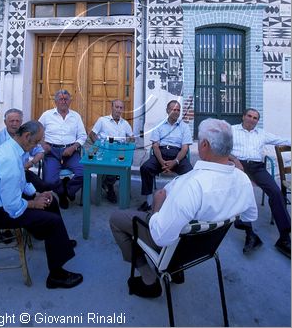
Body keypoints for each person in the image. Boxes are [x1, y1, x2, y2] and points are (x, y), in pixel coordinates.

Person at [110, 118, 258, 298]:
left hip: (174, 244)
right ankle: (176, 270)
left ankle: (149, 279)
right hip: (205, 248)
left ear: (204, 145)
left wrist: (156, 210)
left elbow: (161, 237)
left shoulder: (191, 185)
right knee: (168, 207)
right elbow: (249, 216)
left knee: (117, 219)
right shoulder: (243, 180)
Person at [0, 121, 83, 289]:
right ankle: (56, 276)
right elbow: (12, 205)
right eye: (36, 141)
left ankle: (58, 242)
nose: (37, 146)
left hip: (6, 203)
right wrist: (33, 203)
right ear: (27, 136)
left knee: (51, 201)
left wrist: (37, 194)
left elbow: (21, 179)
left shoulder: (14, 149)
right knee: (52, 222)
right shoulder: (9, 158)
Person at [229, 108, 291, 257]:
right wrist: (235, 160)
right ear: (243, 117)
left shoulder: (262, 134)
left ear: (257, 121)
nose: (251, 119)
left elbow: (282, 140)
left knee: (276, 193)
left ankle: (284, 237)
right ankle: (250, 235)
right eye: (249, 116)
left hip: (257, 167)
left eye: (255, 118)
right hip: (238, 165)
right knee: (245, 190)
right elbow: (221, 148)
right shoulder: (231, 130)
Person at [138, 100, 192, 211]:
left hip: (177, 155)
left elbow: (185, 148)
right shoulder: (159, 125)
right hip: (160, 154)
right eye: (173, 109)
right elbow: (155, 146)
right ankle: (148, 202)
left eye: (178, 110)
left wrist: (175, 162)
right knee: (145, 168)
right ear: (167, 111)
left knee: (190, 173)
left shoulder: (184, 127)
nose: (176, 112)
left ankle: (184, 202)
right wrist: (162, 162)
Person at [0, 108, 49, 192]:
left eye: (17, 121)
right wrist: (1, 173)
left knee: (44, 189)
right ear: (5, 122)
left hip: (23, 174)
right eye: (11, 121)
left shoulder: (25, 137)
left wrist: (31, 163)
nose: (14, 124)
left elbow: (40, 151)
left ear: (21, 122)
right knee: (32, 196)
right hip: (4, 179)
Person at [38, 90, 87, 209]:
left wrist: (74, 147)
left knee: (85, 172)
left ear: (70, 101)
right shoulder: (47, 115)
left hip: (71, 152)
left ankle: (68, 191)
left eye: (66, 99)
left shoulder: (76, 116)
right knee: (49, 181)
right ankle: (61, 193)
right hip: (51, 152)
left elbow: (82, 135)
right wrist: (43, 144)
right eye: (61, 99)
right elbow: (36, 131)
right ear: (55, 101)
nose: (63, 101)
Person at [89, 99, 134, 203]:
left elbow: (132, 137)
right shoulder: (102, 120)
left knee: (122, 161)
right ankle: (109, 187)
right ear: (112, 108)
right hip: (106, 151)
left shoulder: (125, 123)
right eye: (116, 107)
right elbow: (92, 134)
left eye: (121, 108)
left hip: (120, 151)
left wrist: (129, 139)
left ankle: (108, 184)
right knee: (113, 161)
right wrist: (99, 145)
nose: (118, 110)